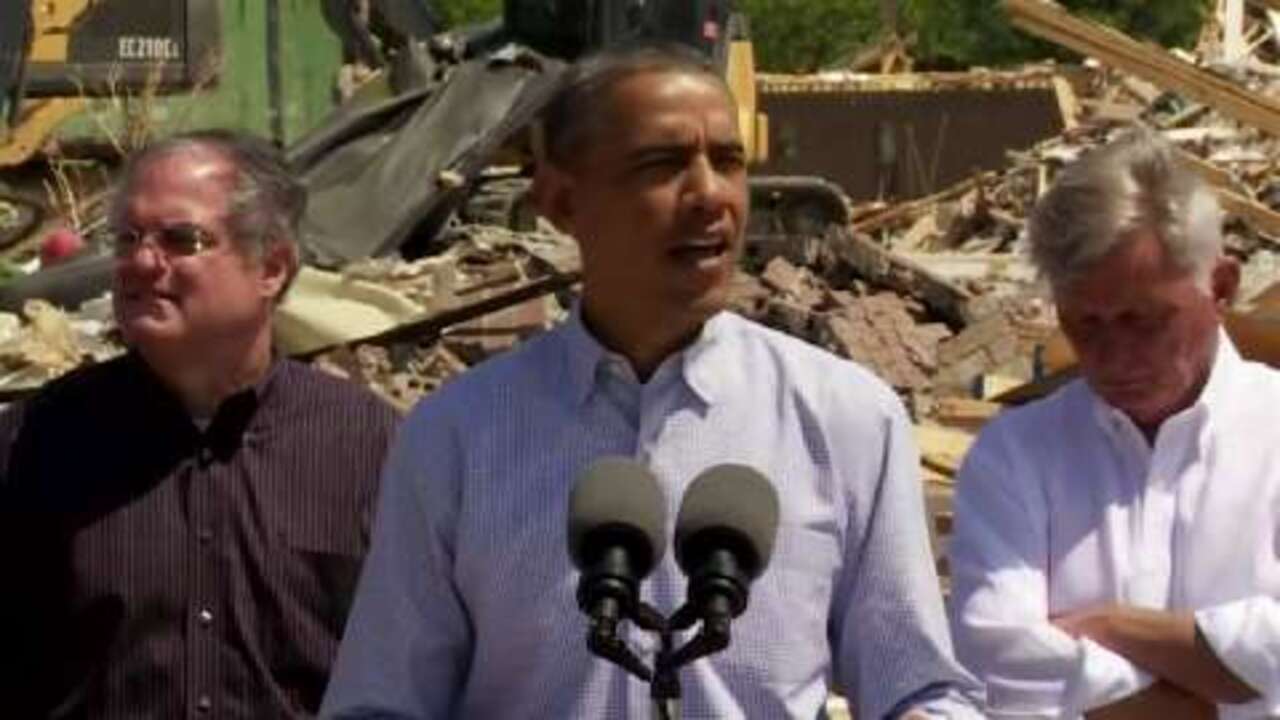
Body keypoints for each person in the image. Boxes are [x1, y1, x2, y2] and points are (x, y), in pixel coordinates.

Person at [321, 44, 982, 719]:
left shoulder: (847, 419)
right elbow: (381, 702)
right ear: (560, 201)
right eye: (661, 165)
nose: (709, 197)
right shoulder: (456, 438)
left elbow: (918, 687)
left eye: (727, 162)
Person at [0, 129, 400, 718]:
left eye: (180, 240)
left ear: (271, 267)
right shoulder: (37, 442)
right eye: (129, 237)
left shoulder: (366, 446)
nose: (140, 261)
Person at [949, 129, 1280, 719]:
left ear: (1222, 288)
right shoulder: (1017, 453)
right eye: (1087, 326)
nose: (1114, 356)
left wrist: (1111, 627)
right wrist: (1190, 698)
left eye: (1143, 321)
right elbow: (994, 647)